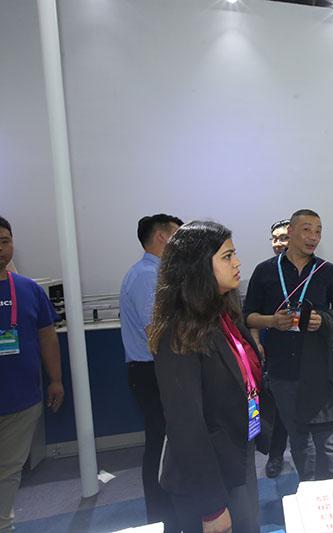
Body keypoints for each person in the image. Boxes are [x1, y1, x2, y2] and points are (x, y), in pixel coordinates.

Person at [149, 221, 262, 533]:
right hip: (207, 474)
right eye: (227, 256)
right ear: (198, 266)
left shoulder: (223, 313)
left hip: (237, 451)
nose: (237, 263)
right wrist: (212, 506)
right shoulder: (179, 331)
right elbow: (186, 425)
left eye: (234, 254)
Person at [244, 209, 333, 481]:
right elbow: (249, 316)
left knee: (326, 441)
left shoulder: (327, 271)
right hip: (283, 369)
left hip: (321, 368)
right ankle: (309, 491)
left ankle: (330, 490)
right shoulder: (265, 271)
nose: (313, 237)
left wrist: (324, 320)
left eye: (318, 231)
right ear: (290, 232)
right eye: (306, 229)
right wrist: (272, 321)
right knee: (299, 439)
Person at [0, 216, 64, 533]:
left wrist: (56, 380)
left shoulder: (28, 290)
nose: (0, 249)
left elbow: (47, 336)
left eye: (5, 241)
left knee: (9, 470)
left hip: (21, 399)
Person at [119, 213, 182, 531]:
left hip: (155, 370)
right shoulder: (147, 276)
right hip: (152, 372)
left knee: (166, 443)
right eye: (178, 236)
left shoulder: (155, 273)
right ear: (162, 237)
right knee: (161, 446)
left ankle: (170, 515)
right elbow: (158, 333)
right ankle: (162, 519)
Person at [252, 218, 291, 479]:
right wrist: (256, 342)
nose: (278, 243)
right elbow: (251, 315)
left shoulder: (317, 270)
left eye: (283, 237)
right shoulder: (264, 272)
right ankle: (275, 456)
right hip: (275, 353)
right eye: (275, 239)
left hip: (309, 356)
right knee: (277, 409)